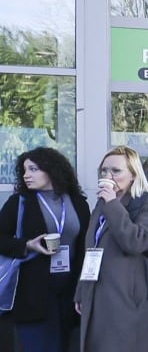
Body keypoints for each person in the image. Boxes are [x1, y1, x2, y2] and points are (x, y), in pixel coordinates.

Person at [0, 147, 90, 352]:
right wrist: (26, 245)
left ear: (51, 170)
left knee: (68, 345)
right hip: (33, 291)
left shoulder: (77, 202)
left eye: (33, 169)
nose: (26, 175)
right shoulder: (19, 202)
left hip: (70, 290)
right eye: (24, 170)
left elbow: (86, 246)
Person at [74, 145, 148, 352]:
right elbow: (91, 248)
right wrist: (81, 290)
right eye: (104, 171)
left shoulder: (147, 205)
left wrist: (113, 203)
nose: (108, 175)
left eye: (116, 171)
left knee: (124, 343)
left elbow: (135, 242)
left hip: (129, 292)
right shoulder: (101, 204)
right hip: (99, 287)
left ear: (133, 175)